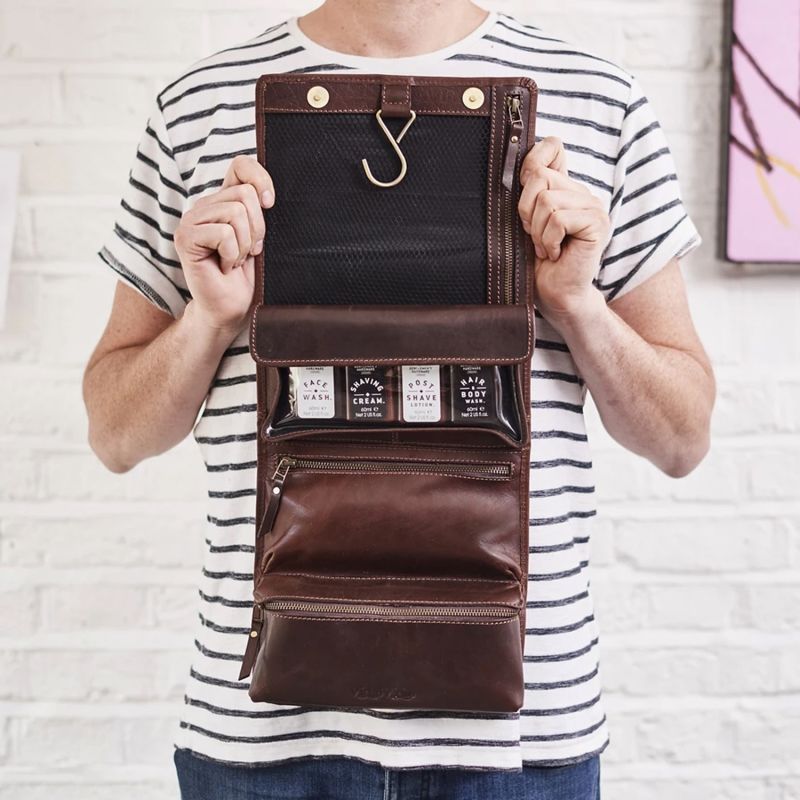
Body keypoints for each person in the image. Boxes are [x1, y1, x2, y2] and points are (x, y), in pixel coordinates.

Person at [83, 1, 716, 798]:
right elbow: (114, 432)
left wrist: (578, 304)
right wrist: (208, 318)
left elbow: (682, 436)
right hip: (260, 740)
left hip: (522, 746)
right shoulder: (198, 106)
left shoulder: (600, 100)